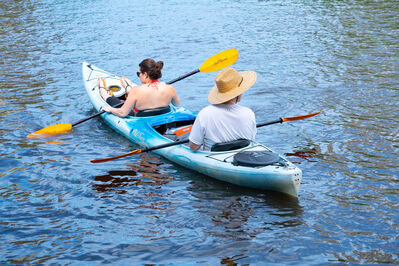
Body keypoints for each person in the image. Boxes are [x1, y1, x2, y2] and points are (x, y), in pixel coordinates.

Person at [189, 67, 257, 151]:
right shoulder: (249, 113)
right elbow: (251, 140)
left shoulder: (205, 113)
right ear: (237, 94)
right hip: (242, 157)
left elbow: (193, 147)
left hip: (213, 158)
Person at [100, 58, 180, 117]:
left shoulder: (136, 91)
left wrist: (110, 109)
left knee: (112, 100)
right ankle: (127, 86)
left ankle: (102, 89)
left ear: (145, 74)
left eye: (138, 74)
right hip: (162, 119)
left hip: (140, 119)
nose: (139, 76)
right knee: (132, 93)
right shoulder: (170, 88)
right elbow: (176, 104)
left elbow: (122, 113)